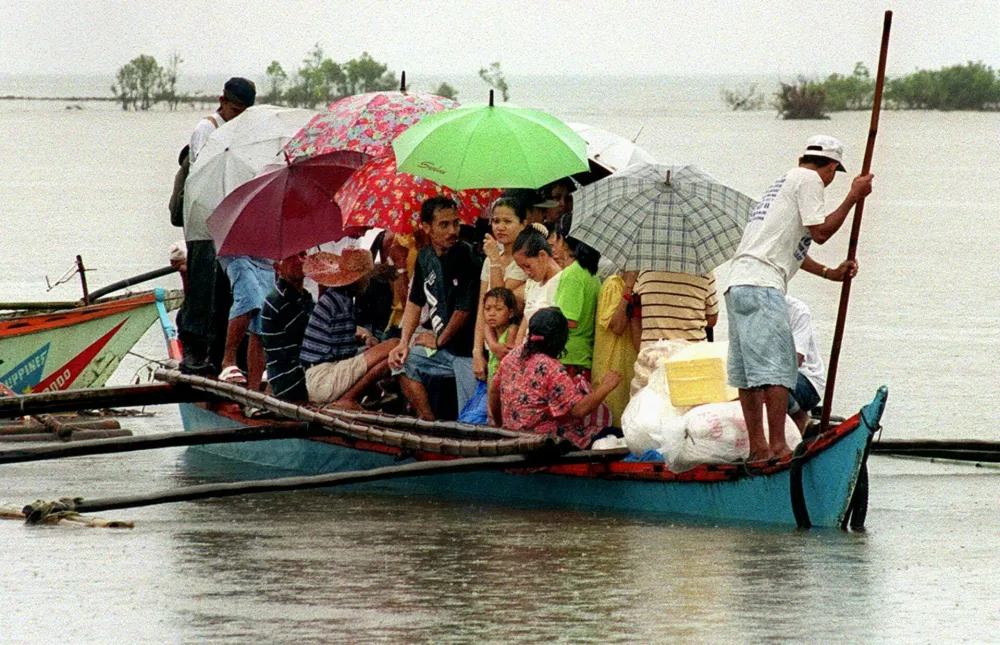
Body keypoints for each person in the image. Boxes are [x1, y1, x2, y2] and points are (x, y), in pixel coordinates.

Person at [725, 135, 872, 460]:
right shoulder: (809, 180)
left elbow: (790, 248)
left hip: (738, 284)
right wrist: (853, 196)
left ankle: (758, 449)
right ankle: (777, 446)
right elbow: (820, 233)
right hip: (763, 285)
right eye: (835, 174)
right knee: (779, 370)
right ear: (832, 167)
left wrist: (828, 273)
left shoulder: (784, 183)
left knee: (748, 375)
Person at [177, 77, 256, 376]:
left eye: (244, 112)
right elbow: (204, 173)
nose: (239, 116)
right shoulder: (206, 129)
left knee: (225, 290)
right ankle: (194, 352)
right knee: (201, 286)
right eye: (235, 110)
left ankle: (220, 351)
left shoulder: (244, 129)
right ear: (222, 101)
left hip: (231, 218)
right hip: (204, 216)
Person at [388, 197, 481, 420]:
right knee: (401, 362)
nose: (453, 230)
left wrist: (439, 341)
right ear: (427, 227)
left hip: (467, 354)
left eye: (455, 223)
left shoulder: (466, 255)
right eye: (444, 225)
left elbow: (464, 310)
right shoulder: (425, 256)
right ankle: (427, 421)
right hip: (443, 349)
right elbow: (414, 302)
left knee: (471, 423)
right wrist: (404, 342)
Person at [489, 307, 622, 450]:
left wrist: (501, 427)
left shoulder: (513, 355)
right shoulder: (551, 368)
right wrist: (606, 387)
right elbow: (578, 410)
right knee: (618, 435)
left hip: (514, 440)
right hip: (546, 444)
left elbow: (493, 393)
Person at [300, 249, 400, 408]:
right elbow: (344, 353)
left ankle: (365, 394)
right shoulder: (340, 304)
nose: (367, 283)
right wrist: (371, 349)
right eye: (366, 278)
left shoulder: (337, 297)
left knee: (381, 352)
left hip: (319, 374)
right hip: (323, 379)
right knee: (394, 345)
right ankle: (348, 399)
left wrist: (364, 340)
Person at [471, 197, 528, 382]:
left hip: (510, 348)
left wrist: (496, 261)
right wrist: (477, 352)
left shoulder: (524, 261)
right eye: (496, 221)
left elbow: (499, 300)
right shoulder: (490, 259)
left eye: (507, 221)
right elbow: (484, 306)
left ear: (523, 224)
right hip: (490, 345)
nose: (500, 227)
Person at [547, 221, 602, 379]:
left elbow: (569, 320)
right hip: (582, 353)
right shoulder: (591, 273)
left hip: (568, 355)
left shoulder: (573, 273)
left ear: (562, 241)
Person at [260, 251, 314, 402]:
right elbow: (316, 335)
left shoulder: (302, 296)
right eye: (291, 257)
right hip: (292, 381)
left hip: (299, 373)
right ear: (278, 268)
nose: (299, 261)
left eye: (302, 255)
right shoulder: (281, 299)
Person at [216, 255, 273, 390]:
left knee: (262, 320)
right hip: (236, 253)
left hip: (266, 256)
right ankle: (228, 361)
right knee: (249, 298)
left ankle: (254, 390)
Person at [592, 271, 638, 426]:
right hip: (612, 369)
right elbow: (617, 326)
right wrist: (629, 286)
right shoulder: (614, 284)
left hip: (629, 369)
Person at [633, 270, 719, 349]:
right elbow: (712, 320)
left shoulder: (645, 271)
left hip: (653, 355)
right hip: (692, 354)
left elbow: (635, 313)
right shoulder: (704, 273)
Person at [511, 226, 563, 345]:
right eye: (522, 268)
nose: (526, 273)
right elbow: (523, 328)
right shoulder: (532, 284)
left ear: (542, 256)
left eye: (527, 266)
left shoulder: (561, 282)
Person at [785, 295, 826, 431]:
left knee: (768, 380)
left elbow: (797, 359)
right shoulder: (750, 310)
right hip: (774, 376)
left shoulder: (797, 311)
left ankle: (801, 418)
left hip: (806, 380)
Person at [482, 287, 519, 387]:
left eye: (498, 309)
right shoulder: (491, 330)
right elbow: (485, 327)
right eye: (487, 309)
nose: (492, 314)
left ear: (511, 313)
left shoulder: (512, 330)